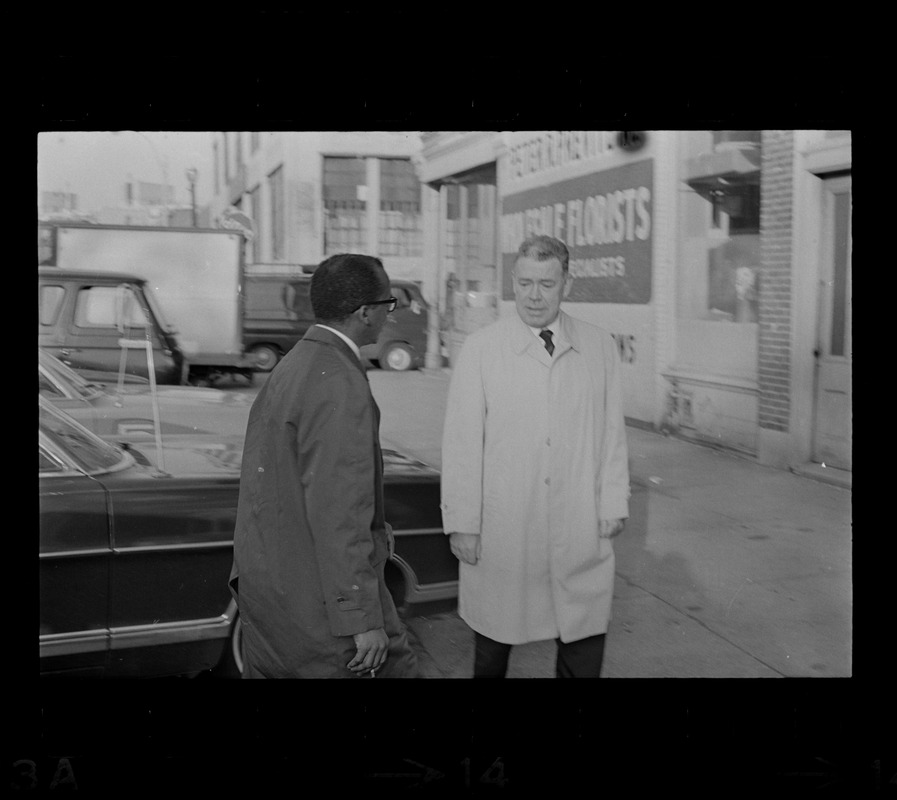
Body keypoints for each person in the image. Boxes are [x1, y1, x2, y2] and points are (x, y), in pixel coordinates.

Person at [440, 234, 630, 678]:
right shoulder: (482, 348)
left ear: (567, 283)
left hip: (579, 520)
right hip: (507, 525)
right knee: (493, 645)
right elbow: (462, 444)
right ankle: (484, 748)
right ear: (513, 281)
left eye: (546, 283)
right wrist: (463, 523)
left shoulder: (599, 346)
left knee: (582, 639)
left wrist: (613, 502)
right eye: (524, 283)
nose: (534, 296)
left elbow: (612, 433)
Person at [229, 253, 419, 679]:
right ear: (365, 312)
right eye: (388, 305)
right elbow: (339, 513)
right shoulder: (340, 381)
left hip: (273, 596)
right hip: (321, 608)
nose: (390, 316)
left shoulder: (294, 364)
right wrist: (362, 618)